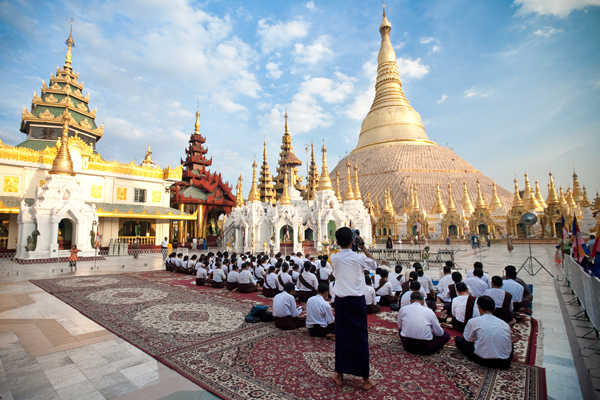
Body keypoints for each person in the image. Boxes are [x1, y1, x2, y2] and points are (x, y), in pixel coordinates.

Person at [330, 227, 376, 390]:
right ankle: (365, 380)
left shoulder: (334, 258)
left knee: (342, 337)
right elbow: (374, 264)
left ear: (336, 242)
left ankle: (340, 375)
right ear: (353, 241)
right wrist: (362, 247)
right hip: (357, 303)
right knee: (360, 337)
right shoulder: (358, 258)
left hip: (342, 302)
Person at [455, 295, 514, 369]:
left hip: (483, 360)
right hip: (504, 363)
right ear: (494, 309)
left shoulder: (474, 321)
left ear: (479, 308)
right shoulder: (504, 324)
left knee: (458, 340)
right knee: (511, 344)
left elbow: (466, 339)